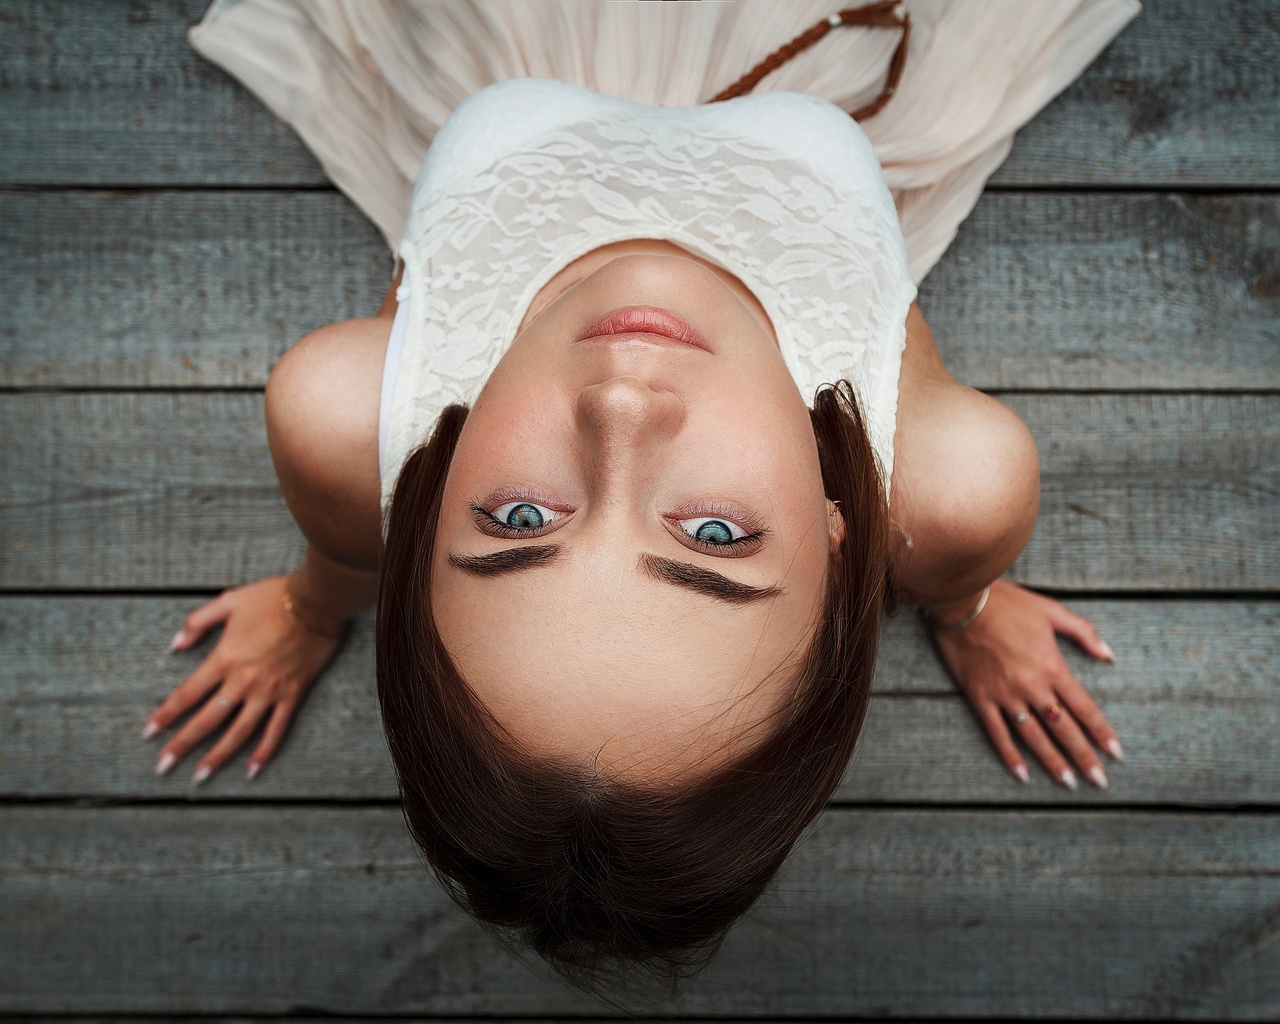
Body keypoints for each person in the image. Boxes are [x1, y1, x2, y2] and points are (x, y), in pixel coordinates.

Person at [146, 0, 1138, 984]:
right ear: (842, 537)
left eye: (520, 518)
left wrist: (311, 607)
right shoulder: (950, 482)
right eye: (714, 533)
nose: (620, 403)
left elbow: (428, 309)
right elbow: (868, 309)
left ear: (424, 493)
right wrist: (963, 600)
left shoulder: (350, 416)